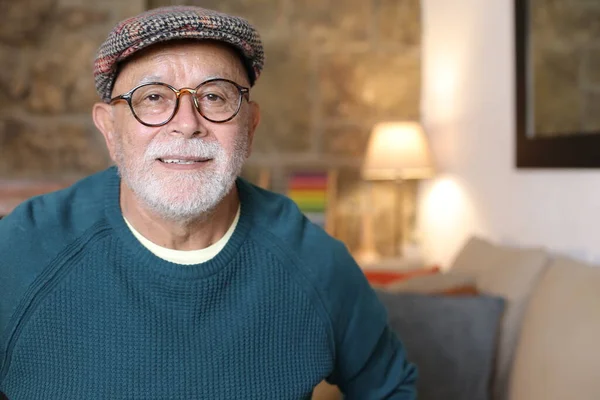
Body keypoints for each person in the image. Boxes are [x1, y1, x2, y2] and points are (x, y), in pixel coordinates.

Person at [0, 6, 417, 399]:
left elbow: (393, 388)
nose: (187, 123)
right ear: (109, 129)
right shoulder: (18, 252)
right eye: (153, 97)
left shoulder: (317, 264)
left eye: (215, 97)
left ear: (250, 127)